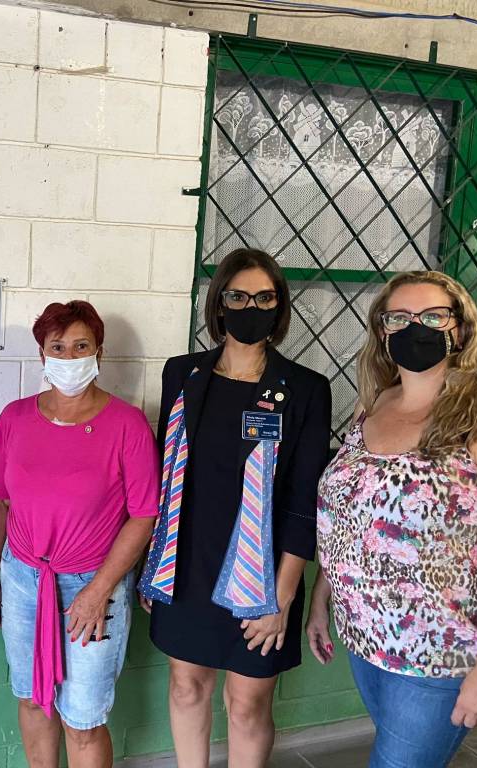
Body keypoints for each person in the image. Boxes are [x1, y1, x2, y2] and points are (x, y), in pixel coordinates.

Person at [307, 270, 477, 768]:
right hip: (367, 637)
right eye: (400, 318)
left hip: (445, 652)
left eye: (432, 317)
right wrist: (322, 596)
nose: (415, 328)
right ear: (382, 331)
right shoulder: (374, 405)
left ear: (459, 329)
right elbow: (350, 514)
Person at [139, 248, 332, 768]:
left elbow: (305, 500)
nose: (252, 307)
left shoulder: (306, 389)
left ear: (280, 306)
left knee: (247, 705)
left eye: (265, 298)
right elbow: (164, 478)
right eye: (239, 296)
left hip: (264, 573)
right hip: (186, 564)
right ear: (219, 304)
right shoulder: (183, 374)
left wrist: (282, 596)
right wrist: (153, 568)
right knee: (186, 686)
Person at [0, 300, 160, 768]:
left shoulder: (127, 425)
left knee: (82, 720)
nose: (69, 356)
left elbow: (144, 516)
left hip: (94, 585)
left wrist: (99, 591)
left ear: (100, 351)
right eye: (57, 347)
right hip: (23, 579)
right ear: (42, 354)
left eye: (81, 346)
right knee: (32, 699)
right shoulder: (14, 419)